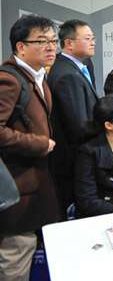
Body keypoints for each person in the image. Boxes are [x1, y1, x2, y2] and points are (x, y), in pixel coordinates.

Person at [0, 15, 60, 281]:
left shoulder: (37, 76)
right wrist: (39, 144)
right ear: (21, 46)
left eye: (54, 41)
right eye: (42, 41)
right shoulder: (9, 79)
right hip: (17, 188)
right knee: (16, 259)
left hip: (36, 185)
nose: (51, 47)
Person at [47, 19, 98, 216]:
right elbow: (79, 126)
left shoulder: (75, 67)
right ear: (69, 43)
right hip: (73, 160)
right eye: (88, 38)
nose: (93, 42)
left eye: (93, 38)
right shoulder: (67, 75)